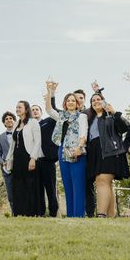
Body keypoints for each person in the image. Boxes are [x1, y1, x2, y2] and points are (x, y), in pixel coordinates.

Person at [44, 82, 88, 217]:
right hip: (63, 151)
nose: (70, 102)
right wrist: (50, 91)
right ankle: (70, 216)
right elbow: (49, 110)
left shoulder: (82, 116)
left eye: (73, 100)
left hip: (77, 151)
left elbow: (83, 133)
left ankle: (78, 215)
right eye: (68, 100)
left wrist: (79, 148)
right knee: (67, 185)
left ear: (77, 103)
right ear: (65, 103)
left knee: (78, 185)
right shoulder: (61, 116)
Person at [85, 93, 130, 217]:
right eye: (93, 100)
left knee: (102, 180)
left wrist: (114, 112)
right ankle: (110, 216)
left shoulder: (110, 116)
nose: (96, 101)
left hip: (111, 152)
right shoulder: (90, 119)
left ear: (104, 101)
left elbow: (125, 127)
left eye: (98, 99)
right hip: (95, 154)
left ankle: (101, 214)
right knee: (106, 183)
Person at [4, 101, 42, 216]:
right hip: (17, 159)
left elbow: (37, 141)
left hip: (28, 157)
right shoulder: (16, 124)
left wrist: (33, 158)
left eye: (19, 107)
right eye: (16, 107)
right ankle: (19, 213)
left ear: (26, 109)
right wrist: (8, 159)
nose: (17, 109)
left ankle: (32, 213)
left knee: (29, 185)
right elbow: (12, 145)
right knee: (18, 186)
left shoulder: (33, 122)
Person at [32, 104, 59, 217]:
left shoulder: (49, 121)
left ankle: (53, 212)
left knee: (51, 188)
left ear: (41, 112)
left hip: (48, 160)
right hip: (35, 161)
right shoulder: (29, 127)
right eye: (32, 110)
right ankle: (40, 213)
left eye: (36, 109)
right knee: (38, 190)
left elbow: (55, 113)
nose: (34, 111)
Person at [0, 111, 16, 212]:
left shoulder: (20, 133)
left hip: (19, 167)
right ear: (4, 123)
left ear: (14, 121)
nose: (8, 120)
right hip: (7, 168)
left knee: (21, 191)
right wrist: (2, 162)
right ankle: (14, 213)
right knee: (10, 194)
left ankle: (24, 212)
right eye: (6, 119)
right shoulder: (0, 137)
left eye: (10, 118)